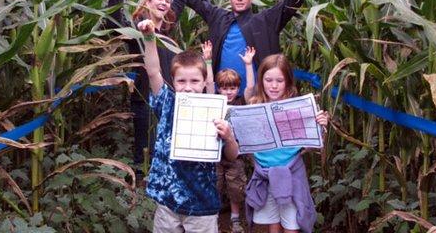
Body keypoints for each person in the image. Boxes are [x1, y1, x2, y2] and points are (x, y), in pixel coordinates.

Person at [136, 18, 239, 232]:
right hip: (167, 200)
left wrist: (228, 137)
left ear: (204, 82)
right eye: (182, 81)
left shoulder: (217, 110)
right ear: (173, 82)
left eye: (194, 81)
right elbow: (154, 72)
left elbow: (233, 155)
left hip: (202, 202)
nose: (188, 87)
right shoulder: (167, 102)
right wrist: (149, 38)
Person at [171, 0, 311, 96]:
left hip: (256, 97)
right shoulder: (217, 16)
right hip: (222, 95)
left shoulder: (265, 20)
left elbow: (291, 1)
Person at [105, 0, 195, 175]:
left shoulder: (168, 30)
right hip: (144, 98)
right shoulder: (138, 31)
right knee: (144, 150)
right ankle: (142, 191)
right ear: (148, 2)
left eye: (167, 0)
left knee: (168, 147)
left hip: (170, 98)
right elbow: (113, 24)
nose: (164, 3)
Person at [245, 54, 329, 233]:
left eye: (279, 80)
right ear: (262, 81)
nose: (274, 86)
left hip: (291, 174)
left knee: (292, 225)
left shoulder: (298, 108)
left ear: (288, 82)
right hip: (263, 173)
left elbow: (311, 146)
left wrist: (320, 126)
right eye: (268, 80)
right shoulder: (254, 106)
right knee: (272, 223)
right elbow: (248, 91)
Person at [201, 43, 256, 232]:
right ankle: (213, 218)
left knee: (235, 188)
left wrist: (248, 64)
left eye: (232, 88)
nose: (228, 92)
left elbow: (250, 87)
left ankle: (234, 219)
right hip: (214, 154)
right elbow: (208, 84)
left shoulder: (242, 101)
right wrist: (208, 60)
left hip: (235, 156)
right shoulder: (214, 100)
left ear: (237, 88)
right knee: (213, 186)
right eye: (224, 88)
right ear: (219, 89)